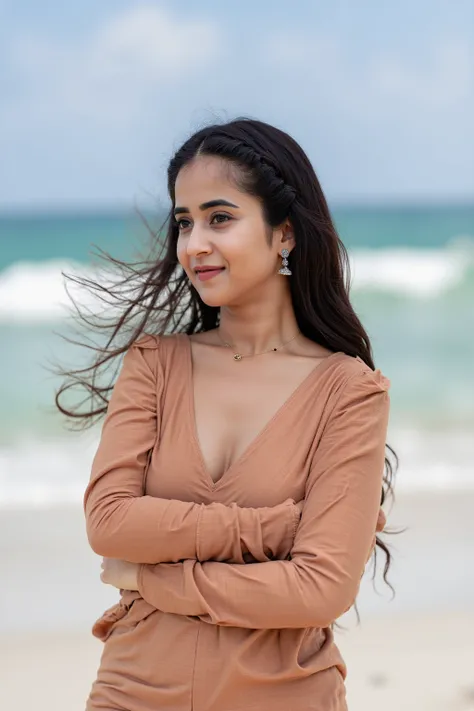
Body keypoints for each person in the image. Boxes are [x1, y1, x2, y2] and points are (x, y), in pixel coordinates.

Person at [56, 116, 398, 711]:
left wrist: (152, 577)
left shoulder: (350, 391)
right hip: (132, 692)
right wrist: (272, 530)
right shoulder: (155, 365)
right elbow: (108, 523)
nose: (193, 244)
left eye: (220, 218)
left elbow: (318, 589)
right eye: (184, 223)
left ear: (284, 233)